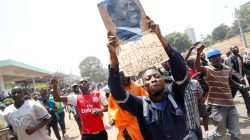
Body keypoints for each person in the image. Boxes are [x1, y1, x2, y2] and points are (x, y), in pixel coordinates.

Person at [107, 17, 188, 140]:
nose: (154, 79)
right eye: (148, 78)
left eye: (157, 76)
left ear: (164, 81)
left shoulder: (175, 95)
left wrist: (160, 38)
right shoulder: (140, 105)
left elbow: (181, 73)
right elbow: (118, 94)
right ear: (143, 86)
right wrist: (113, 56)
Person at [195, 45, 246, 140]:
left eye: (217, 56)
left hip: (230, 105)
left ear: (220, 57)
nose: (215, 59)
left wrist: (241, 86)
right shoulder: (207, 70)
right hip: (217, 106)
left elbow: (230, 81)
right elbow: (197, 67)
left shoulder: (227, 69)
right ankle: (209, 136)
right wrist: (198, 53)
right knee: (220, 134)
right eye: (212, 57)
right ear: (209, 60)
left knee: (236, 133)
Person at [108, 70, 148, 140]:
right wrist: (112, 118)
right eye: (120, 75)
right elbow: (112, 108)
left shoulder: (137, 87)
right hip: (127, 128)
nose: (123, 77)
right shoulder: (114, 94)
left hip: (142, 123)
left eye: (124, 74)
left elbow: (147, 101)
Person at [225, 45, 250, 119]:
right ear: (231, 50)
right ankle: (225, 114)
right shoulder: (229, 59)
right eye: (234, 48)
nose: (236, 49)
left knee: (247, 97)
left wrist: (244, 76)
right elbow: (231, 70)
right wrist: (240, 77)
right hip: (233, 82)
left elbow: (242, 68)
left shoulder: (240, 57)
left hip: (241, 81)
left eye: (237, 47)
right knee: (230, 98)